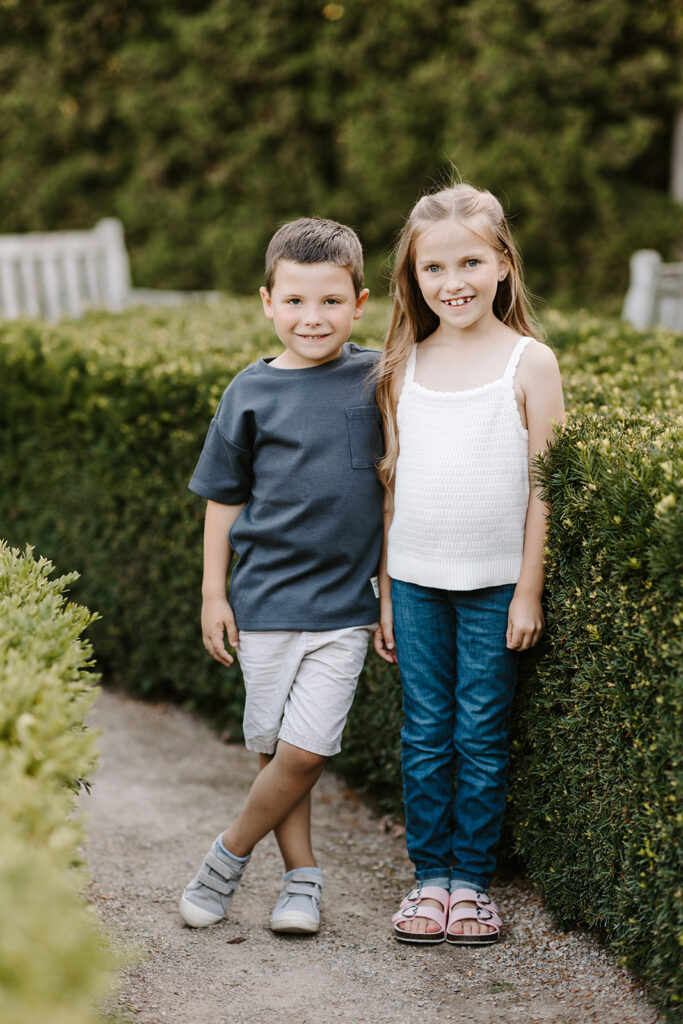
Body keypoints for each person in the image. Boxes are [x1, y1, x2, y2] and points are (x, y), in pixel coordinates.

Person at [373, 183, 565, 945]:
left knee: (480, 733)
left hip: (493, 590)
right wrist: (386, 594)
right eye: (432, 269)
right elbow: (393, 489)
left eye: (468, 262)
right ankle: (429, 879)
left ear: (502, 265)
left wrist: (528, 590)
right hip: (416, 584)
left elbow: (546, 488)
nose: (451, 282)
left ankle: (471, 883)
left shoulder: (529, 362)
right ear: (412, 280)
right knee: (423, 732)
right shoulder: (402, 365)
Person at [180, 217, 383, 935]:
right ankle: (302, 882)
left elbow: (395, 493)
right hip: (263, 601)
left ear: (360, 303)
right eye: (294, 301)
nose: (311, 318)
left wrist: (386, 590)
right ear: (266, 301)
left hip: (343, 609)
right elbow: (223, 500)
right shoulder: (249, 393)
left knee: (303, 752)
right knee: (274, 752)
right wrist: (212, 593)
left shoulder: (377, 378)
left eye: (330, 301)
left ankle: (226, 857)